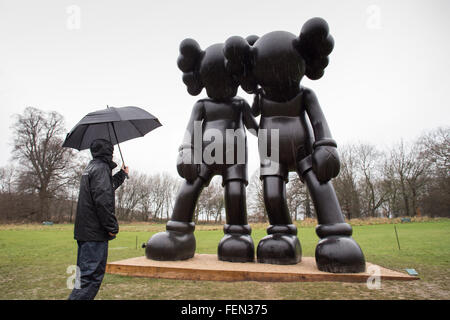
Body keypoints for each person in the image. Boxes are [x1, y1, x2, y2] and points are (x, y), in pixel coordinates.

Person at [68, 139, 129, 300]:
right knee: (90, 279)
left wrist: (122, 174)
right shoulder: (101, 169)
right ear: (108, 152)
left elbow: (105, 189)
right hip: (94, 235)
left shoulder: (92, 167)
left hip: (85, 233)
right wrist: (112, 227)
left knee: (84, 280)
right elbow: (103, 200)